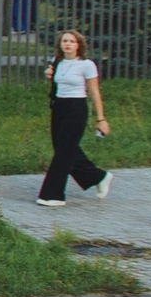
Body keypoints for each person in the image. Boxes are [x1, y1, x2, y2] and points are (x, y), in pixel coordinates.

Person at [35, 29, 111, 206]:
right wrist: (49, 76)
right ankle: (98, 177)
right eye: (64, 41)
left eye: (71, 41)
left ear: (78, 45)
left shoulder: (86, 65)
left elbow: (94, 91)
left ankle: (52, 195)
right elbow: (56, 84)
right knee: (63, 148)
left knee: (64, 152)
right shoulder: (57, 62)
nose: (67, 44)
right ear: (60, 45)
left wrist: (101, 119)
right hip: (59, 106)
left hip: (76, 107)